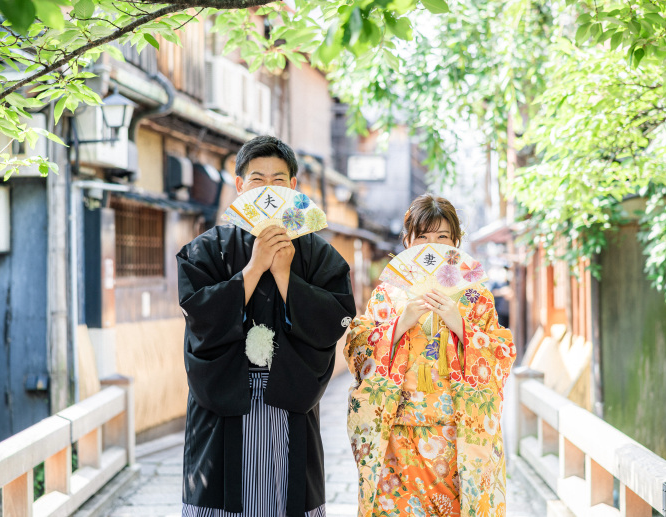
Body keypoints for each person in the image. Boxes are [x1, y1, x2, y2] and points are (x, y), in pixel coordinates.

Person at [177, 136, 356, 517]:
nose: (267, 190)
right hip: (225, 396)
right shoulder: (209, 249)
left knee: (288, 497)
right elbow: (199, 315)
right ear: (239, 185)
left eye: (278, 181)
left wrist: (286, 274)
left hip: (288, 394)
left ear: (293, 187)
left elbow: (335, 317)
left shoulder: (315, 251)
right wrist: (254, 268)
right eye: (257, 180)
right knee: (221, 500)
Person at [344, 194, 516, 517]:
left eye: (442, 237)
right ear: (407, 241)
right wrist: (398, 325)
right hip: (398, 435)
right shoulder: (388, 293)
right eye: (422, 237)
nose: (431, 246)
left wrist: (461, 325)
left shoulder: (475, 296)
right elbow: (358, 346)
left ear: (456, 243)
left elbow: (501, 352)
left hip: (456, 439)